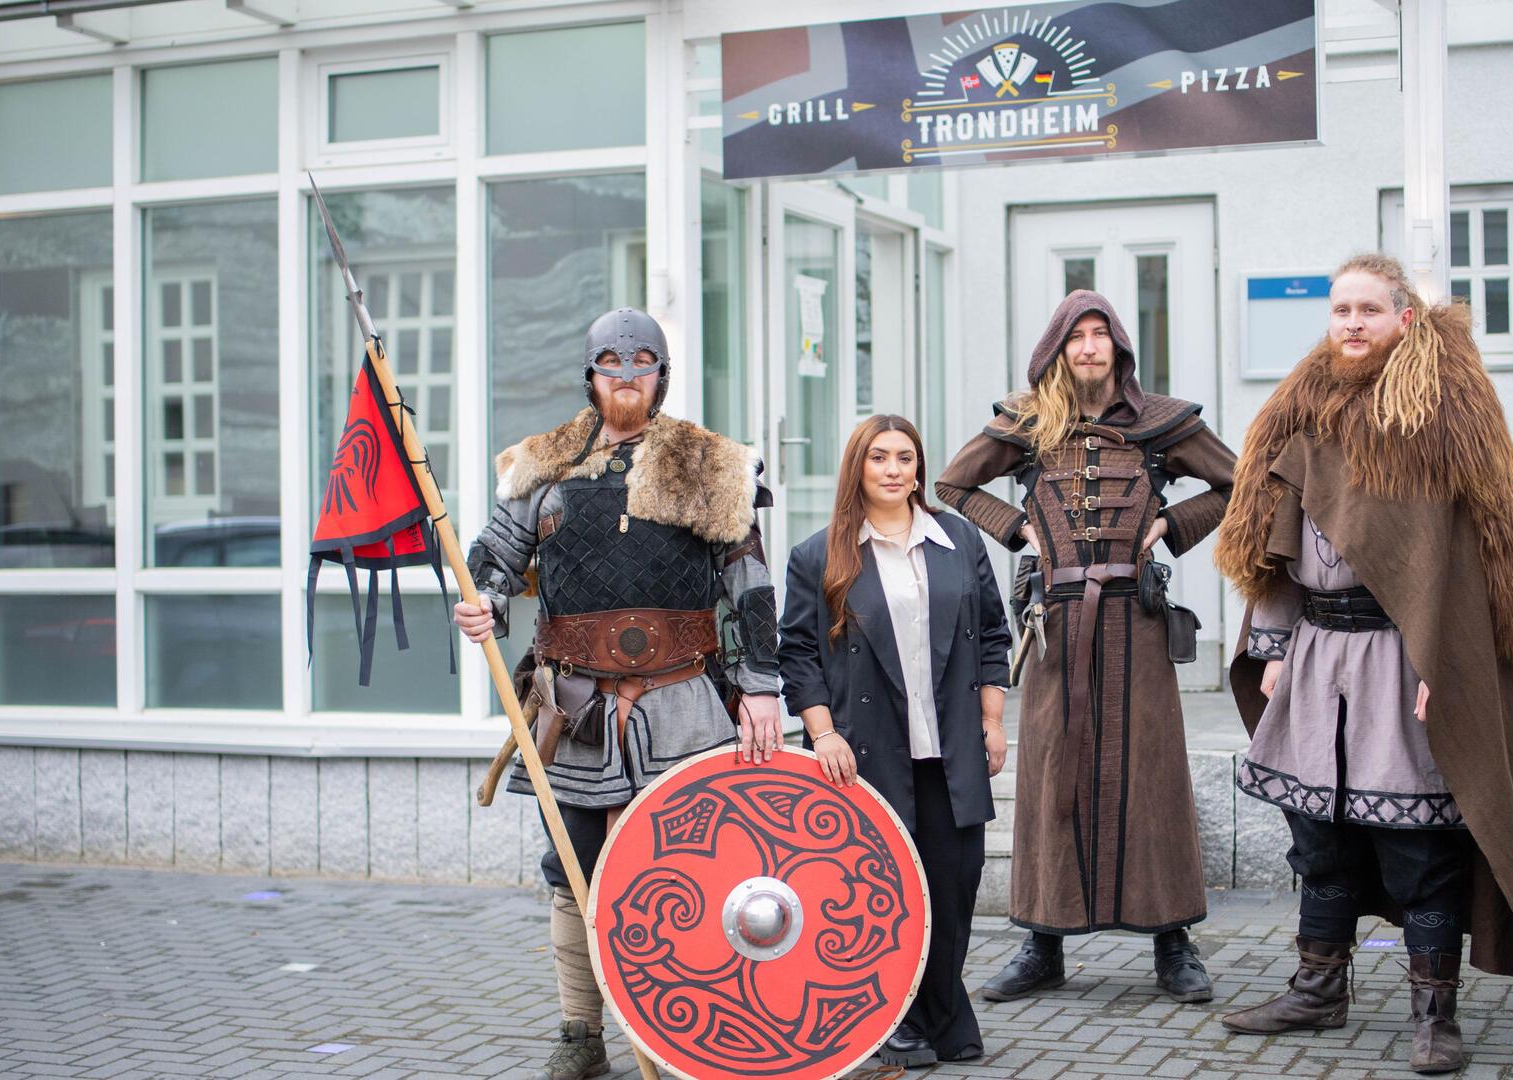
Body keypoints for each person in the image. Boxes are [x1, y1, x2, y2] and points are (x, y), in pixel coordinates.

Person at [1212, 253, 1513, 1074]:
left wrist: (1451, 662)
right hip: (1316, 654)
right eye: (1341, 311)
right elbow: (1274, 541)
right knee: (1321, 839)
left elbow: (1462, 556)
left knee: (1418, 848)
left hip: (1404, 660)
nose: (1353, 324)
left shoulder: (1434, 418)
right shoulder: (1304, 414)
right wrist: (1269, 644)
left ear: (1404, 319)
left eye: (1369, 310)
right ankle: (1319, 988)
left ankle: (1434, 1015)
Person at [453, 307, 784, 1080]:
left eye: (643, 361)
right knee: (574, 866)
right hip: (576, 707)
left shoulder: (714, 463)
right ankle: (581, 1032)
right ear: (592, 374)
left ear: (662, 375)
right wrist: (483, 606)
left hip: (683, 703)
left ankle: (692, 1022)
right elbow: (493, 561)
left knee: (693, 865)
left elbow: (749, 581)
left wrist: (762, 687)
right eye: (612, 361)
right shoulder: (543, 465)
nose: (627, 373)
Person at [934, 290, 1236, 1004]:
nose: (1091, 348)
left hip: (1138, 616)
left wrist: (1173, 523)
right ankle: (1042, 943)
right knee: (1050, 770)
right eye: (1078, 337)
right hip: (1056, 622)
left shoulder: (1164, 424)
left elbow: (1240, 481)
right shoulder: (1027, 424)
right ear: (1058, 350)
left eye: (1102, 335)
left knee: (1152, 770)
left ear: (1119, 348)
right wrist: (1017, 530)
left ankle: (1173, 943)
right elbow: (951, 482)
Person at [778, 415, 1012, 1068]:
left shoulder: (958, 540)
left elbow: (994, 634)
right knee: (881, 890)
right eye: (877, 457)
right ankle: (895, 1017)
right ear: (858, 467)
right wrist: (821, 734)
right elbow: (796, 653)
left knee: (955, 883)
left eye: (904, 457)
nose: (891, 469)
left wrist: (993, 720)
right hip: (867, 749)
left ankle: (939, 1008)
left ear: (918, 467)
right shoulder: (818, 554)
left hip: (951, 745)